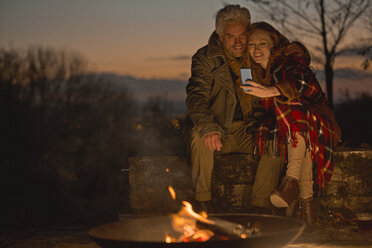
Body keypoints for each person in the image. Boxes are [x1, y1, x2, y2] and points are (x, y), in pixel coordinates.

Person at [241, 22, 341, 229]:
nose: (256, 49)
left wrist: (271, 91)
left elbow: (300, 84)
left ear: (274, 45)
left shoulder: (290, 60)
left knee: (292, 105)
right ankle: (307, 214)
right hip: (297, 130)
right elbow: (262, 111)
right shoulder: (255, 72)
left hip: (317, 123)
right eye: (251, 44)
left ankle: (290, 179)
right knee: (294, 133)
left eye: (262, 43)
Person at [185, 5, 284, 213]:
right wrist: (208, 127)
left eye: (242, 35)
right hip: (220, 131)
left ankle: (260, 207)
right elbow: (196, 96)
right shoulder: (204, 58)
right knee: (198, 135)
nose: (238, 43)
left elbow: (289, 59)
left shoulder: (256, 54)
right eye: (231, 37)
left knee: (278, 139)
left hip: (250, 131)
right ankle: (203, 204)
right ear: (221, 36)